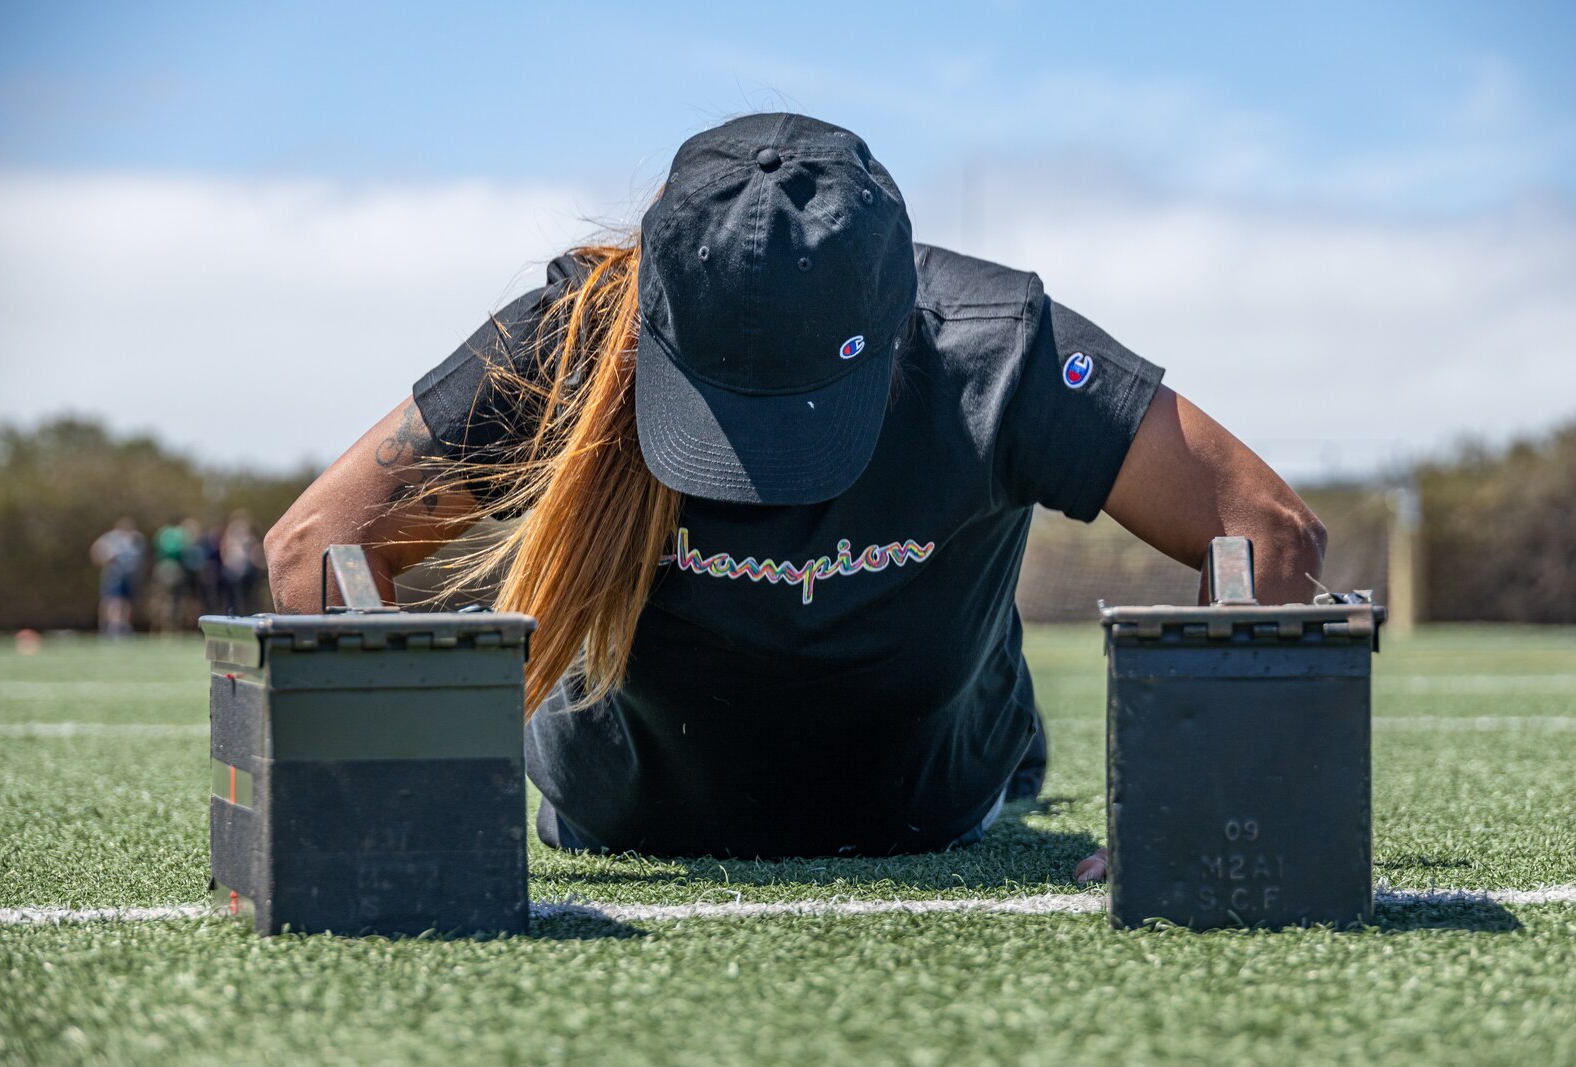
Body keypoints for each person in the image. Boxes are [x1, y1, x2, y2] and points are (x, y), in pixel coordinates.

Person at [265, 114, 1326, 876]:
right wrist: (400, 819)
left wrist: (1200, 817)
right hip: (625, 827)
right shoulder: (568, 335)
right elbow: (315, 544)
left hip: (932, 815)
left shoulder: (996, 347)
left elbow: (1262, 527)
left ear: (904, 311)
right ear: (652, 307)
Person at [91, 517, 146, 637]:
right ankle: (110, 627)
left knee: (126, 602)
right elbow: (96, 550)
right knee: (113, 600)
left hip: (129, 575)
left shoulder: (135, 539)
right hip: (114, 574)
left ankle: (124, 626)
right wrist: (105, 559)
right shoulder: (111, 538)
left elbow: (139, 557)